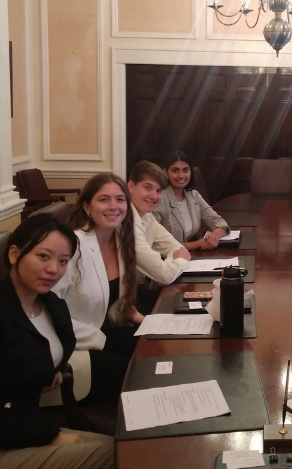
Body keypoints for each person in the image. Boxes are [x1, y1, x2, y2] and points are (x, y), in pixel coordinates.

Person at [0, 214, 114, 469]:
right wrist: (48, 435)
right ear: (14, 254)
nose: (54, 269)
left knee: (125, 445)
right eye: (43, 256)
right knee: (116, 455)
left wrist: (45, 372)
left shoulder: (52, 305)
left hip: (26, 424)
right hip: (10, 437)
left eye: (63, 261)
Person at [53, 173, 142, 403]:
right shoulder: (72, 246)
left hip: (105, 329)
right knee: (135, 374)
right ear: (87, 206)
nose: (114, 206)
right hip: (73, 344)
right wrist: (103, 340)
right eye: (104, 199)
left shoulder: (121, 237)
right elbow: (50, 312)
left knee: (152, 348)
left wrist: (136, 317)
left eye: (120, 199)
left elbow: (108, 303)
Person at [128, 160, 191, 286]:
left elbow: (176, 247)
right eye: (147, 187)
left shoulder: (147, 216)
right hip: (120, 300)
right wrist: (180, 260)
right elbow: (165, 276)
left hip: (136, 291)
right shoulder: (127, 222)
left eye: (159, 191)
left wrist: (164, 269)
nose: (154, 196)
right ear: (131, 186)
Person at [153, 151, 229, 250]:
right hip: (166, 259)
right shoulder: (159, 199)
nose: (181, 175)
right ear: (165, 173)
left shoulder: (194, 196)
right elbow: (153, 241)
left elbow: (219, 222)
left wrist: (215, 236)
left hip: (190, 257)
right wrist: (193, 245)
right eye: (175, 171)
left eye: (185, 170)